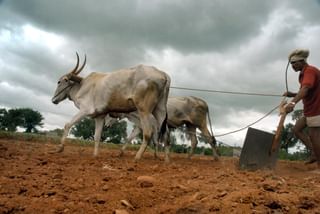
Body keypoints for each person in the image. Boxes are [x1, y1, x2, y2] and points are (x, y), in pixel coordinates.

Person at [284, 49, 320, 173]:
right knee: (297, 129)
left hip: (317, 109)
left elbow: (305, 89)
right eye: (291, 63)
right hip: (310, 109)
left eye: (294, 63)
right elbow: (306, 91)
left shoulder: (309, 71)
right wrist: (292, 94)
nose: (292, 66)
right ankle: (314, 153)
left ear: (302, 61)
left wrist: (293, 102)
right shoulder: (304, 73)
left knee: (314, 136)